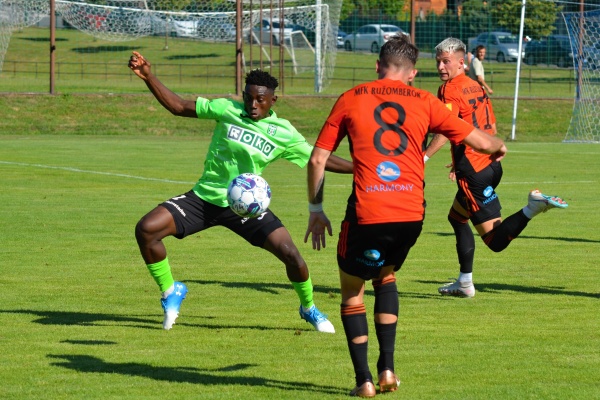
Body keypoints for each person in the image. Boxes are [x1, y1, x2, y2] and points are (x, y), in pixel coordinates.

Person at [304, 35, 508, 397]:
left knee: (352, 291)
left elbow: (318, 158)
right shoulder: (427, 101)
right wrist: (498, 146)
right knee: (386, 276)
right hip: (411, 213)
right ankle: (387, 371)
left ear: (377, 66)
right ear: (412, 73)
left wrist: (316, 210)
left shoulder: (351, 97)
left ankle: (364, 381)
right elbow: (480, 140)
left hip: (368, 210)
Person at [127, 51, 353, 333]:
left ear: (273, 100)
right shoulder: (227, 110)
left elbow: (318, 159)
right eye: (248, 98)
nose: (253, 104)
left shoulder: (283, 132)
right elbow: (178, 106)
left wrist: (360, 168)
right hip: (204, 199)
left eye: (260, 99)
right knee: (146, 229)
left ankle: (309, 308)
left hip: (246, 207)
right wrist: (148, 77)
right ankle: (171, 290)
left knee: (292, 256)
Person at [425, 37, 568, 298]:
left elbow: (445, 129)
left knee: (495, 241)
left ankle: (532, 207)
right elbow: (487, 124)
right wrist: (472, 153)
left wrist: (423, 157)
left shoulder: (448, 89)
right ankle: (465, 283)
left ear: (461, 62)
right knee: (456, 218)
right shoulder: (475, 85)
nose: (441, 67)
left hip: (474, 172)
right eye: (438, 62)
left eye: (446, 62)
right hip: (490, 163)